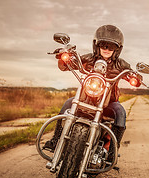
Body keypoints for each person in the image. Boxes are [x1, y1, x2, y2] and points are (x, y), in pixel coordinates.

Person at [43, 24, 141, 154]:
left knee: (121, 112)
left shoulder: (121, 64)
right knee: (68, 103)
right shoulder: (88, 58)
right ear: (96, 45)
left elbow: (131, 75)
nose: (107, 49)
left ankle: (112, 152)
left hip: (109, 102)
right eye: (103, 45)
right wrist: (64, 57)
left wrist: (136, 77)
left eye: (111, 47)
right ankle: (56, 140)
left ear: (117, 49)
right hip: (86, 97)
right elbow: (66, 66)